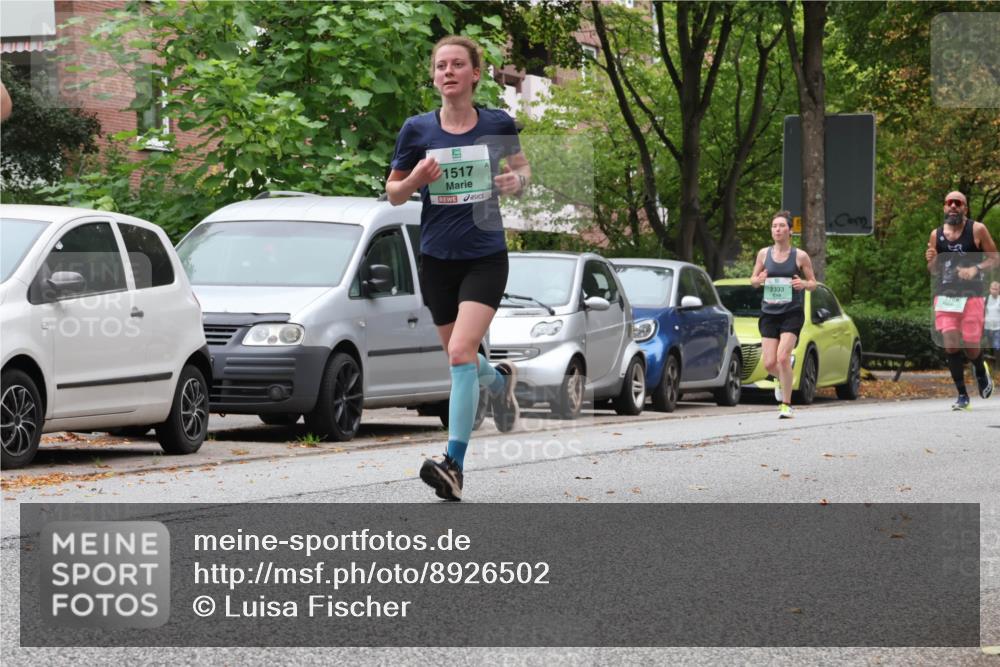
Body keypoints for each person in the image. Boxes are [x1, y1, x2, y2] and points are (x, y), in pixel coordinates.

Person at [386, 35, 530, 501]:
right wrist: (414, 180)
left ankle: (454, 465)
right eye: (440, 65)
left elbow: (523, 172)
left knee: (460, 354)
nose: (447, 71)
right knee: (463, 360)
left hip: (486, 255)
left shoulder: (496, 122)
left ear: (474, 74)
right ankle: (501, 381)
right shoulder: (416, 130)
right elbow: (393, 192)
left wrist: (515, 181)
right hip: (437, 260)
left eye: (456, 65)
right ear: (434, 76)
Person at [925, 191, 998, 410]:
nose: (954, 206)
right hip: (946, 296)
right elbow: (933, 270)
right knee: (951, 345)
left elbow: (995, 258)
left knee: (971, 345)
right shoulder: (935, 235)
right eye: (950, 203)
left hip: (972, 296)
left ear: (965, 208)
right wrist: (931, 260)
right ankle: (962, 395)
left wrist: (976, 268)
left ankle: (980, 369)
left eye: (959, 203)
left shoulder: (977, 230)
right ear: (944, 207)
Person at [750, 211, 817, 419]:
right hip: (769, 313)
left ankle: (786, 404)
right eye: (774, 226)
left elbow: (813, 284)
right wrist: (758, 279)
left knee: (782, 356)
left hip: (791, 312)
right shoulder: (763, 254)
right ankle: (784, 378)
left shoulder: (800, 256)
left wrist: (803, 284)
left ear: (790, 230)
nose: (777, 229)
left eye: (781, 226)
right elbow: (752, 280)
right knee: (770, 363)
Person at [987, 281, 1000, 363]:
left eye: (996, 289)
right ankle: (992, 364)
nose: (994, 291)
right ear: (989, 289)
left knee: (997, 346)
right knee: (990, 346)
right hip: (988, 328)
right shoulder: (986, 299)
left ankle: (998, 366)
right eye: (993, 289)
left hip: (998, 328)